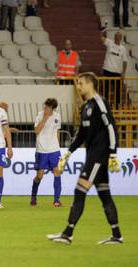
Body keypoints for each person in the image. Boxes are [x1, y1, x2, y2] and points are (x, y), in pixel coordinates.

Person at [48, 72, 123, 245]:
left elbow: (111, 127)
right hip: (94, 156)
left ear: (90, 84)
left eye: (81, 83)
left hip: (99, 157)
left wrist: (112, 153)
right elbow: (81, 134)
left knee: (79, 190)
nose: (78, 86)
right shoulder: (85, 106)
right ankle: (117, 235)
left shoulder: (99, 103)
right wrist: (68, 152)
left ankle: (68, 233)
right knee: (105, 195)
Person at [30, 98, 63, 207]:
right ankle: (33, 196)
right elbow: (36, 131)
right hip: (41, 150)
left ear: (52, 108)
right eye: (44, 106)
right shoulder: (40, 115)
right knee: (39, 176)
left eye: (47, 107)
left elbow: (57, 131)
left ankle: (56, 201)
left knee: (57, 172)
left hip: (54, 150)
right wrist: (45, 118)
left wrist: (58, 146)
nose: (45, 109)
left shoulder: (57, 116)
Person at [100, 30, 128, 108]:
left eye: (118, 37)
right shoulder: (109, 43)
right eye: (115, 36)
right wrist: (103, 31)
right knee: (106, 90)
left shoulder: (123, 48)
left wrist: (123, 73)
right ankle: (105, 108)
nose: (117, 38)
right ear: (114, 37)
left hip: (117, 73)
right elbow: (102, 38)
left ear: (121, 38)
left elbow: (125, 61)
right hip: (107, 70)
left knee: (118, 92)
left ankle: (117, 108)